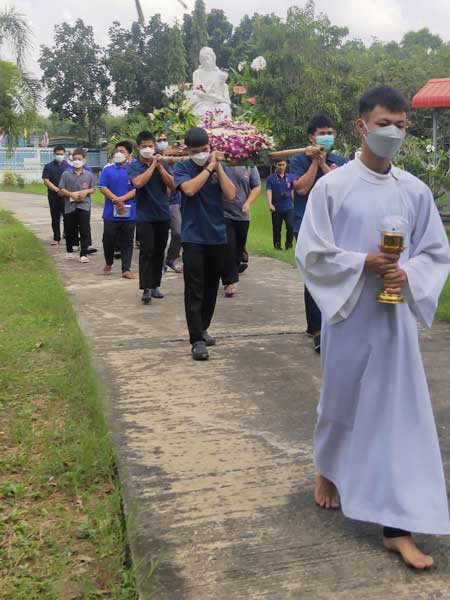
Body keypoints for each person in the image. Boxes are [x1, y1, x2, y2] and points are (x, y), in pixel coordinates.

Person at [296, 86, 450, 570]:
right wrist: (361, 261)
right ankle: (328, 468)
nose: (393, 133)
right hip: (349, 315)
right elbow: (311, 253)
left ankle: (397, 526)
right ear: (361, 126)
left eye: (401, 126)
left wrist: (409, 275)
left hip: (394, 321)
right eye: (384, 124)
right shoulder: (333, 187)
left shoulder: (414, 191)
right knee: (340, 401)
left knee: (398, 415)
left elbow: (434, 252)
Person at [173, 127, 236, 361]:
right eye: (195, 151)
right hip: (193, 237)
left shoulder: (219, 166)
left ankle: (203, 328)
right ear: (188, 151)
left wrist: (217, 167)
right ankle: (196, 340)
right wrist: (208, 167)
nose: (201, 154)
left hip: (217, 235)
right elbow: (189, 190)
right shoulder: (182, 168)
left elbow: (231, 195)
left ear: (210, 147)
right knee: (194, 288)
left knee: (211, 287)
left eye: (204, 149)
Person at [290, 113, 347, 352]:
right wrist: (314, 162)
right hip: (306, 225)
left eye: (329, 133)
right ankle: (317, 330)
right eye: (321, 133)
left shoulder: (339, 161)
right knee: (313, 274)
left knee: (335, 274)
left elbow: (342, 189)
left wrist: (323, 163)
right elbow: (301, 189)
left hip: (335, 226)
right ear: (311, 137)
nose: (326, 137)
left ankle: (334, 322)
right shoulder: (297, 160)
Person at [127, 131, 175, 304]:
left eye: (150, 146)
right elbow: (138, 183)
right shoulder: (134, 166)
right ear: (138, 147)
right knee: (146, 251)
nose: (148, 149)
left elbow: (173, 184)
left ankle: (155, 285)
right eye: (144, 146)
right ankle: (146, 288)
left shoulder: (162, 164)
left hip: (162, 214)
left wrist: (159, 167)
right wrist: (152, 166)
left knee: (159, 251)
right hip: (145, 216)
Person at [99, 141, 136, 279]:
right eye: (117, 151)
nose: (118, 154)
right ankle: (109, 262)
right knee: (108, 239)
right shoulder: (108, 169)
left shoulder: (134, 170)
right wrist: (115, 199)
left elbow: (138, 189)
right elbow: (102, 187)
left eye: (122, 151)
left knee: (127, 240)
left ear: (129, 154)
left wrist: (122, 199)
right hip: (110, 212)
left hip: (130, 212)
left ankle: (126, 269)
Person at [222, 165, 261, 297]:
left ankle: (233, 268)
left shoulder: (249, 165)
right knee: (229, 247)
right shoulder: (222, 164)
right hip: (223, 213)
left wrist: (248, 202)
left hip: (242, 214)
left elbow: (256, 186)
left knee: (238, 248)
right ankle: (230, 282)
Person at [58, 148, 96, 263]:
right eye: (75, 159)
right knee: (70, 229)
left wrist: (86, 192)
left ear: (84, 160)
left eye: (79, 159)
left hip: (84, 206)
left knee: (84, 229)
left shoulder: (89, 175)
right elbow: (61, 189)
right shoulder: (66, 174)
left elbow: (93, 189)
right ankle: (69, 251)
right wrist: (71, 194)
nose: (77, 161)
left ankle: (83, 254)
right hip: (70, 206)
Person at [42, 145, 68, 245]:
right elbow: (46, 180)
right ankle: (56, 238)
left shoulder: (68, 166)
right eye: (58, 154)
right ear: (54, 154)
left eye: (61, 154)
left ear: (64, 154)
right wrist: (57, 190)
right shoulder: (48, 166)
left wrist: (65, 191)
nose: (59, 156)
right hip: (53, 196)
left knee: (68, 217)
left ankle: (68, 235)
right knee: (55, 218)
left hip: (66, 196)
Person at [266, 160, 294, 251]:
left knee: (290, 226)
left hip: (288, 207)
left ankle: (289, 245)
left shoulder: (290, 177)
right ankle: (277, 246)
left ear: (286, 165)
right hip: (276, 207)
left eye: (283, 164)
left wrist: (295, 202)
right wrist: (270, 204)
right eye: (279, 165)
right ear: (275, 165)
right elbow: (269, 191)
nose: (281, 167)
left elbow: (292, 191)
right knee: (276, 228)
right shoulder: (270, 178)